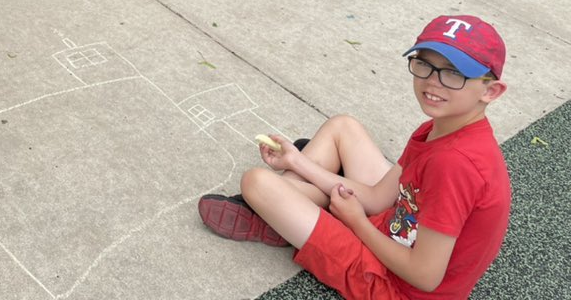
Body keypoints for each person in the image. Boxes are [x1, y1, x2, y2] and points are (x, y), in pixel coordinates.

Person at [198, 15, 511, 300]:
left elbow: (425, 277)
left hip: (393, 286)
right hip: (393, 225)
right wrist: (296, 162)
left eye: (453, 74)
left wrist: (356, 222)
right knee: (342, 127)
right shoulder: (441, 127)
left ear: (491, 91)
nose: (432, 81)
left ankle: (280, 215)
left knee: (257, 183)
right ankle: (288, 212)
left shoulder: (455, 164)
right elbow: (377, 198)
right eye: (424, 65)